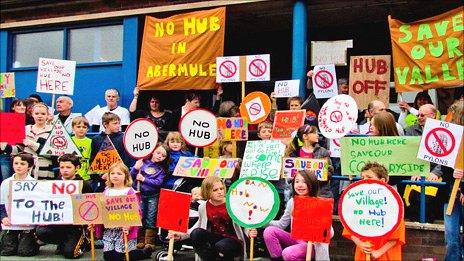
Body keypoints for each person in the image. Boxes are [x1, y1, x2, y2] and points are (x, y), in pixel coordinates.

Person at [249, 170, 332, 260]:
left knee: (288, 253)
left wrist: (318, 231)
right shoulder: (292, 202)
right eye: (296, 181)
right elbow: (281, 225)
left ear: (312, 184)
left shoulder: (320, 203)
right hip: (296, 240)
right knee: (269, 231)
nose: (299, 185)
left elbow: (330, 233)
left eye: (304, 182)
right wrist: (261, 222)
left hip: (313, 246)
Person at [169, 176, 248, 260]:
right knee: (196, 233)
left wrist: (249, 231)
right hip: (216, 238)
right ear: (207, 191)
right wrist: (181, 236)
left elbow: (245, 222)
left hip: (233, 241)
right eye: (215, 190)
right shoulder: (203, 206)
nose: (220, 192)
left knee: (222, 245)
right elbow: (198, 226)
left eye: (221, 189)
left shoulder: (232, 204)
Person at [343, 162, 406, 260]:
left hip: (386, 255)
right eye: (363, 177)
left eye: (369, 177)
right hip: (363, 254)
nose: (364, 180)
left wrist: (379, 252)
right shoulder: (358, 201)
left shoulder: (392, 202)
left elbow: (398, 235)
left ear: (382, 181)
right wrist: (360, 243)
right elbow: (349, 228)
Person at [35, 154, 92, 259]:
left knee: (70, 254)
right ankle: (63, 243)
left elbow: (90, 205)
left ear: (77, 168)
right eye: (62, 167)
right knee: (40, 232)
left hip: (75, 226)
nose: (65, 170)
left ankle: (83, 241)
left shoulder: (84, 184)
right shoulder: (54, 183)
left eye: (68, 167)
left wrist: (89, 222)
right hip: (58, 223)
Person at [95, 162, 151, 261]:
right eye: (112, 173)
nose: (115, 176)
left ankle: (142, 253)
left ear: (126, 176)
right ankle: (137, 253)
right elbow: (101, 210)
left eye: (119, 174)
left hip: (124, 229)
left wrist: (129, 226)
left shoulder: (130, 192)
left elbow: (137, 212)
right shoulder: (106, 191)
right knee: (108, 256)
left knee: (120, 256)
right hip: (110, 229)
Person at [130, 143, 170, 251]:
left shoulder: (161, 169)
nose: (159, 156)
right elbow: (131, 176)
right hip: (140, 195)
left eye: (163, 155)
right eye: (158, 153)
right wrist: (135, 168)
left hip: (153, 196)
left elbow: (158, 182)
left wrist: (144, 179)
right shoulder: (142, 163)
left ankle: (150, 242)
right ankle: (140, 241)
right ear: (153, 151)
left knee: (151, 217)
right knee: (140, 216)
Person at [0, 152, 39, 257]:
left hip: (27, 224)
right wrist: (3, 217)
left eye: (22, 164)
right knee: (7, 251)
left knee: (24, 252)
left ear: (29, 166)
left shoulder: (35, 183)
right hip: (10, 223)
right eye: (16, 163)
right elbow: (1, 203)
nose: (18, 166)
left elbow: (38, 206)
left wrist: (31, 220)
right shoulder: (5, 183)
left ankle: (33, 242)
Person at [438, 99, 463, 261]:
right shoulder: (448, 137)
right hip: (450, 195)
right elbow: (443, 164)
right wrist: (452, 172)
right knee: (451, 239)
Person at [285, 125, 334, 199]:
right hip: (300, 195)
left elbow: (329, 172)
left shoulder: (323, 151)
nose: (317, 135)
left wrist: (317, 176)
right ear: (305, 136)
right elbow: (289, 177)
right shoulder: (294, 154)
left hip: (320, 194)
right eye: (314, 133)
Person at [89, 112, 132, 192]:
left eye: (119, 123)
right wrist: (102, 175)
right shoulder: (96, 139)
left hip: (119, 180)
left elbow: (125, 161)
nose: (118, 126)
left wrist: (113, 175)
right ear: (105, 124)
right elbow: (93, 160)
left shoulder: (123, 138)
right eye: (115, 123)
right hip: (101, 180)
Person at [71, 116, 92, 181]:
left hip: (87, 176)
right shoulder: (69, 141)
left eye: (84, 127)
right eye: (78, 127)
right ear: (73, 128)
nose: (81, 129)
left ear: (88, 129)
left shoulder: (91, 142)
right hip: (72, 176)